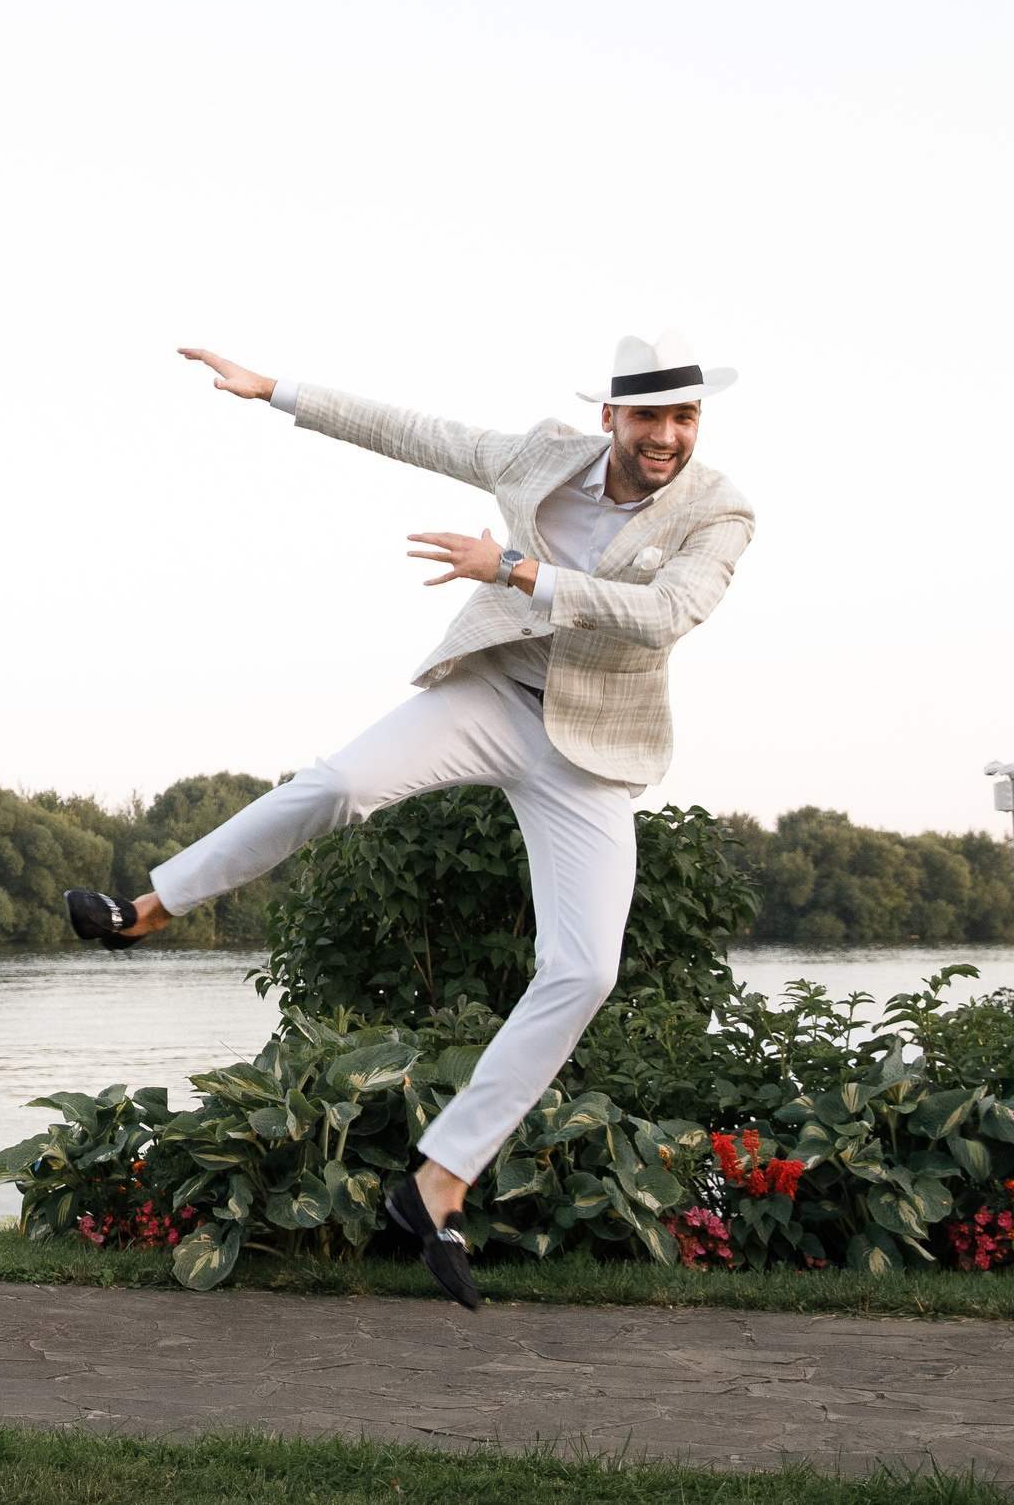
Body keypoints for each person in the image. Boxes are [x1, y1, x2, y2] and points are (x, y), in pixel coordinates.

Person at [64, 334, 753, 1308]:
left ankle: (437, 1183)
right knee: (342, 784)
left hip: (588, 751)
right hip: (489, 697)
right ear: (611, 417)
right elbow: (418, 432)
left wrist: (519, 570)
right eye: (648, 418)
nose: (666, 437)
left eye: (683, 420)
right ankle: (147, 909)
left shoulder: (718, 510)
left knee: (584, 970)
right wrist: (277, 391)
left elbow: (664, 615)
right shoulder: (541, 455)